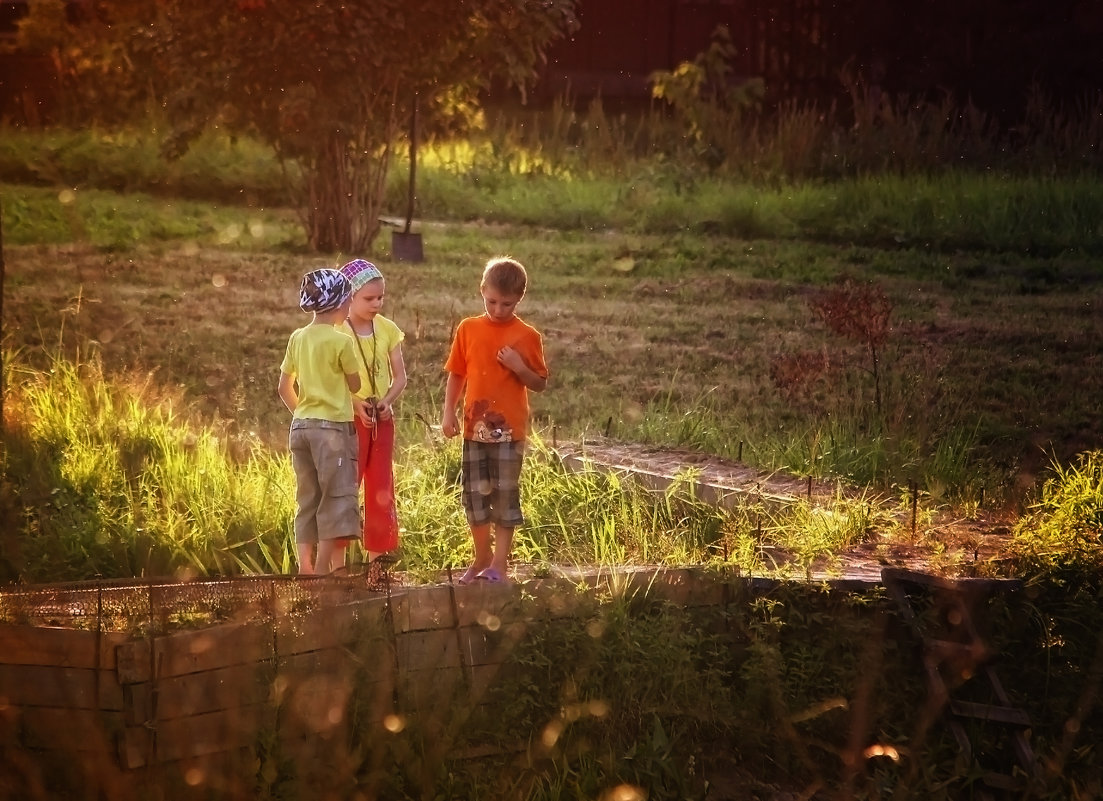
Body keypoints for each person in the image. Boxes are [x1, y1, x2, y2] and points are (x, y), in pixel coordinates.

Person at [441, 256, 549, 584]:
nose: (499, 310)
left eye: (507, 303)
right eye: (491, 302)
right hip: (474, 431)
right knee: (474, 498)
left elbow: (540, 382)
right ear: (481, 290)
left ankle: (500, 566)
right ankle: (480, 558)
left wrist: (518, 366)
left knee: (504, 497)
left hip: (509, 434)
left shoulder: (527, 335)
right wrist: (448, 412)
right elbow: (457, 374)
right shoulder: (468, 329)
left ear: (520, 299)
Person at [277, 268, 362, 575]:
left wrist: (304, 416)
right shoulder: (341, 342)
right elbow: (354, 385)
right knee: (335, 499)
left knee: (307, 499)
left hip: (300, 428)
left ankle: (305, 568)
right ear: (340, 303)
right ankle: (324, 572)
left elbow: (284, 388)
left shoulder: (297, 337)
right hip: (333, 430)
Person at [337, 259, 408, 567]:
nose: (377, 303)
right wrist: (356, 405)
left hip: (382, 420)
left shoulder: (388, 330)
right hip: (350, 420)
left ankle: (377, 563)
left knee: (381, 487)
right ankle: (335, 565)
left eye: (381, 297)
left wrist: (388, 401)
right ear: (349, 297)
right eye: (369, 298)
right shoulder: (338, 331)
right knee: (345, 485)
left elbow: (400, 377)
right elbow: (334, 380)